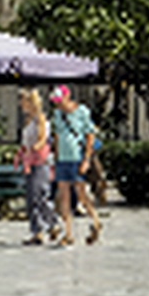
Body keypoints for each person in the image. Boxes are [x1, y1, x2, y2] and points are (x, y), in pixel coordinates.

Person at [52, 84, 102, 244]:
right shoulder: (57, 114)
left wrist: (86, 159)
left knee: (81, 193)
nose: (58, 104)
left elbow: (90, 135)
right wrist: (56, 159)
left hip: (77, 157)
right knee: (64, 196)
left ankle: (95, 220)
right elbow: (57, 136)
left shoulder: (82, 111)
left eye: (60, 100)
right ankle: (68, 233)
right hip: (63, 159)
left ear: (68, 97)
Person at [19, 91, 61, 246]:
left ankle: (53, 223)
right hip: (30, 162)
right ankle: (37, 231)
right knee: (32, 198)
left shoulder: (40, 118)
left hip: (40, 162)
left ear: (31, 102)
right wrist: (23, 152)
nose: (21, 104)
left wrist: (33, 149)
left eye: (23, 101)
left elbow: (43, 139)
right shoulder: (28, 120)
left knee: (40, 196)